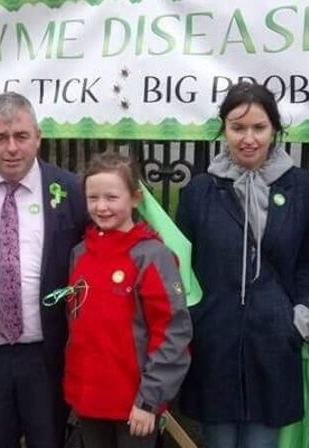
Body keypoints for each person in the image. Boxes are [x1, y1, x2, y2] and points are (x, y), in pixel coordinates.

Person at [176, 82, 309, 447]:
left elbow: (308, 259)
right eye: (238, 128)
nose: (248, 139)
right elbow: (181, 266)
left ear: (274, 129)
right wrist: (194, 319)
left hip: (274, 342)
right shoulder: (199, 192)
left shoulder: (302, 189)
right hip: (215, 343)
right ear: (224, 129)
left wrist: (300, 312)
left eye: (259, 128)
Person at [0, 92, 88, 448]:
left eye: (21, 137)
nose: (11, 148)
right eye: (0, 138)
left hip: (46, 355)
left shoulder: (68, 188)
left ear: (38, 137)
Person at [62, 152, 192, 447]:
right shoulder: (80, 253)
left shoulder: (152, 255)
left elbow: (172, 332)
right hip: (88, 400)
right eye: (93, 197)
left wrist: (151, 399)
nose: (101, 206)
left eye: (112, 197)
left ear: (134, 198)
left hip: (135, 405)